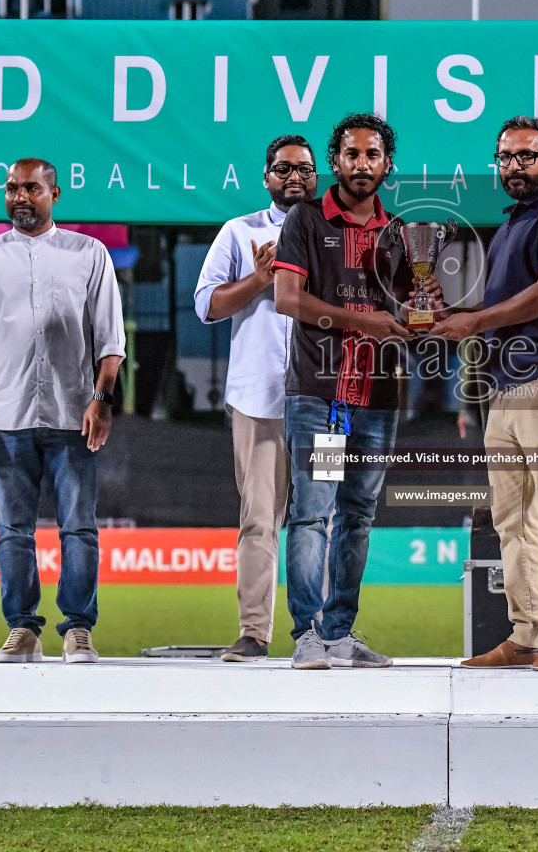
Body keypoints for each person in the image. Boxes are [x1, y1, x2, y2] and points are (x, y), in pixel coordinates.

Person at [432, 116, 538, 672]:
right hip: (507, 388)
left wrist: (474, 320)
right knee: (514, 518)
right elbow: (498, 314)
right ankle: (528, 634)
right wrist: (456, 314)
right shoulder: (511, 225)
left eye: (525, 156)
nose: (513, 166)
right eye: (505, 157)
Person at [0, 158, 125, 665]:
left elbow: (111, 339)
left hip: (75, 416)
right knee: (12, 530)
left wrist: (103, 398)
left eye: (31, 188)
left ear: (55, 194)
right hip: (6, 416)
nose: (19, 197)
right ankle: (23, 630)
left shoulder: (88, 253)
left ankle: (78, 630)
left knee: (79, 529)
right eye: (11, 188)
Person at [271, 112, 422, 669]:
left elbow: (405, 313)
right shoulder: (308, 219)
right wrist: (362, 323)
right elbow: (289, 298)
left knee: (358, 515)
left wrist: (424, 305)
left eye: (373, 155)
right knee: (313, 512)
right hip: (322, 395)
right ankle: (307, 635)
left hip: (378, 397)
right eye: (352, 155)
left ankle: (340, 632)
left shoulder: (400, 231)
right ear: (336, 162)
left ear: (388, 165)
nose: (362, 165)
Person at [194, 135, 319, 663]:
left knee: (320, 518)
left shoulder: (333, 234)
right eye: (283, 169)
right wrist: (260, 277)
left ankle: (317, 630)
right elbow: (207, 305)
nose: (295, 177)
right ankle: (253, 632)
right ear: (266, 176)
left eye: (305, 170)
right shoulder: (238, 231)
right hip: (259, 401)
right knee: (260, 518)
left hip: (324, 401)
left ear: (318, 178)